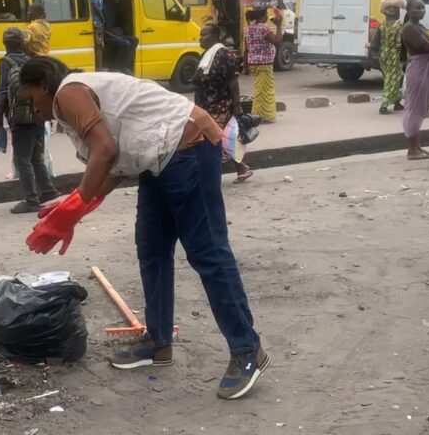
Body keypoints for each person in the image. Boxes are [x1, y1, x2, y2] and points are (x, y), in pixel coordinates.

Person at [20, 57, 268, 401]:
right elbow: (115, 165)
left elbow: (105, 151)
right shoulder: (80, 95)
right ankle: (158, 342)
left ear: (45, 87)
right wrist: (70, 210)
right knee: (152, 251)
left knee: (208, 254)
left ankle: (247, 350)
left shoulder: (67, 93)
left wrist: (73, 208)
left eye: (32, 99)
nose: (36, 110)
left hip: (189, 147)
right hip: (160, 160)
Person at [0, 28, 59, 213]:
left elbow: (3, 93)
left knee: (22, 159)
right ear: (22, 43)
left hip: (20, 118)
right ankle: (47, 190)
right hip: (38, 114)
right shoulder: (32, 60)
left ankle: (31, 199)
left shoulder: (5, 62)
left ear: (5, 43)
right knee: (36, 156)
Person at [194, 23, 252, 183]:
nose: (200, 38)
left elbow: (232, 81)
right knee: (220, 140)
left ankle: (211, 174)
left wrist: (237, 105)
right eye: (200, 35)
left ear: (215, 37)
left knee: (212, 139)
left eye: (204, 35)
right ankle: (241, 168)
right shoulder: (205, 56)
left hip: (221, 105)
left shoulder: (226, 55)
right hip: (206, 105)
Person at [401, 0, 429, 160]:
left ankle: (417, 146)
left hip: (426, 67)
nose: (421, 11)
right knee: (414, 109)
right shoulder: (409, 28)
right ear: (409, 11)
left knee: (422, 106)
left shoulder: (419, 26)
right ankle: (412, 150)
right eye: (417, 8)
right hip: (418, 69)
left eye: (423, 8)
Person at [244, 8, 282, 123]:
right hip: (265, 63)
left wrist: (245, 66)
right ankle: (262, 115)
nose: (267, 17)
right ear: (262, 16)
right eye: (266, 15)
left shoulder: (248, 29)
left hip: (253, 63)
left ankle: (260, 114)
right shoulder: (263, 28)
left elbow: (246, 49)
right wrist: (279, 25)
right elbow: (277, 41)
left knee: (259, 88)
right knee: (265, 90)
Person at [372, 0, 407, 114]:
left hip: (383, 56)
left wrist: (373, 53)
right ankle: (384, 105)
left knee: (390, 78)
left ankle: (397, 103)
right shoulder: (400, 25)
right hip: (395, 56)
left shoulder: (382, 26)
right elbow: (404, 42)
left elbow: (375, 43)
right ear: (396, 12)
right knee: (392, 80)